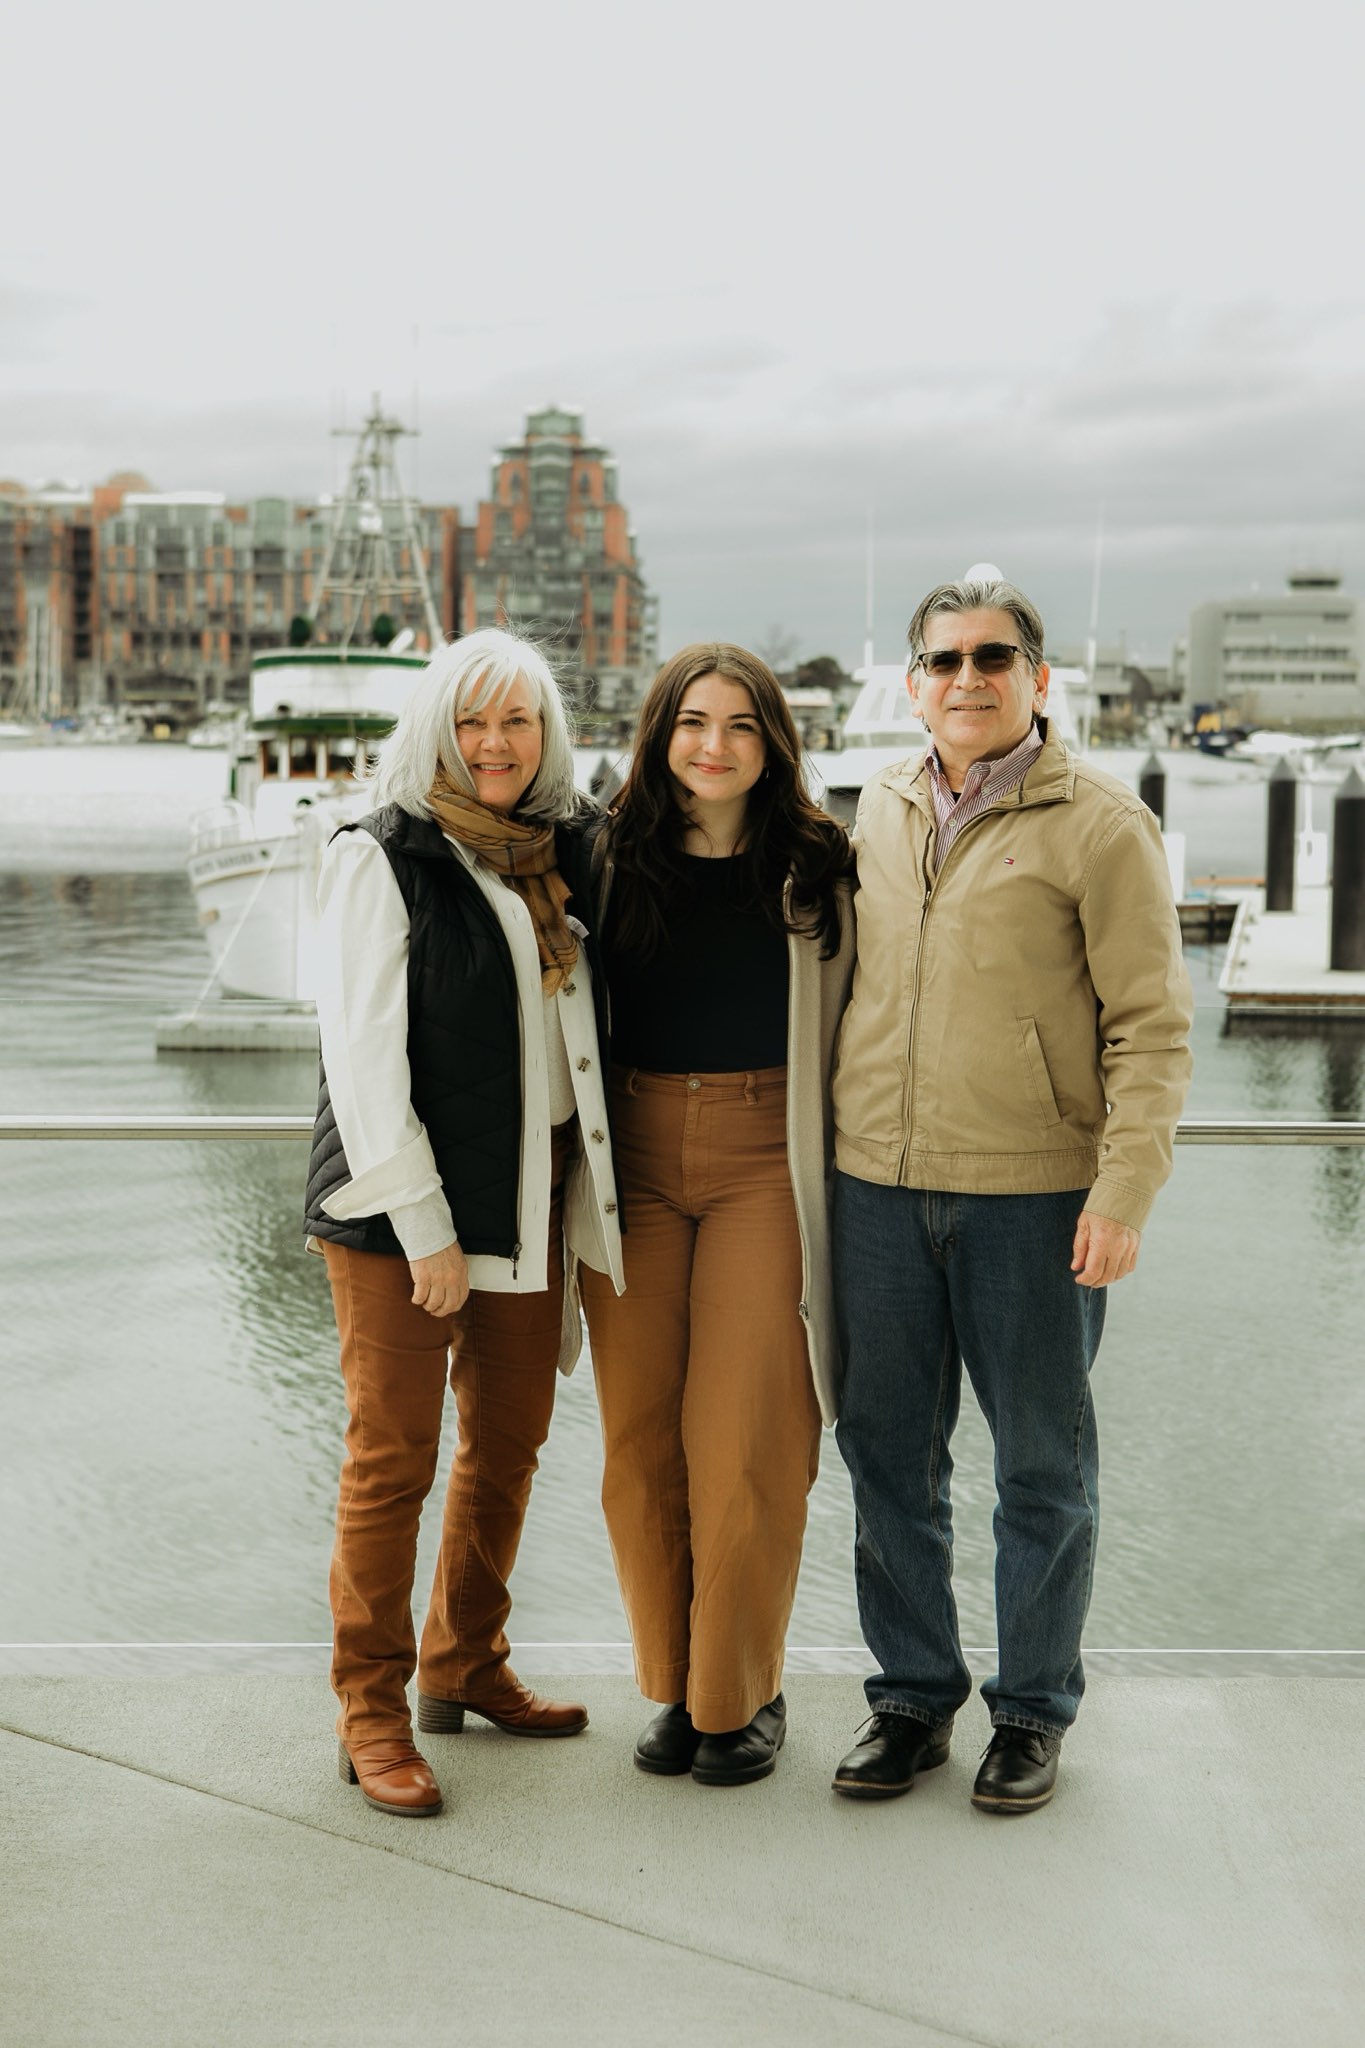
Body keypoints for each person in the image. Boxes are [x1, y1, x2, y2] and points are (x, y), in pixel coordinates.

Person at [830, 571, 1193, 1814]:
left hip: (1036, 1200)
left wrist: (1123, 1192)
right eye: (945, 660)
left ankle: (1032, 1710)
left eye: (995, 658)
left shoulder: (1101, 822)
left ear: (1039, 678)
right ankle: (913, 1698)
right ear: (915, 680)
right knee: (887, 1455)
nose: (968, 679)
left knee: (1042, 1465)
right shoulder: (873, 806)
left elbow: (1151, 1029)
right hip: (874, 1190)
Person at [303, 627, 623, 1818]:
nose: (495, 743)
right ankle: (370, 1706)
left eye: (518, 721)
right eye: (473, 721)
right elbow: (361, 1062)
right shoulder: (379, 856)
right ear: (436, 729)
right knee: (393, 1460)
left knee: (512, 1439)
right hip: (402, 1206)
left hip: (531, 1194)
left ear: (546, 736)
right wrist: (425, 1223)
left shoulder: (551, 855)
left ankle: (464, 1660)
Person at [575, 643, 853, 1788]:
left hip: (761, 1159)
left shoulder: (817, 866)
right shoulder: (600, 854)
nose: (716, 745)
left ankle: (740, 1692)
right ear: (660, 733)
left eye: (743, 725)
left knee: (745, 1436)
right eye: (695, 721)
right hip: (627, 1162)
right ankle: (677, 1681)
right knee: (639, 1442)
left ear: (772, 743)